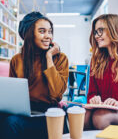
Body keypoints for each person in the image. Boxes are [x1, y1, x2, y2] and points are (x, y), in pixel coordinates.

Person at [0, 11, 69, 139]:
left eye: (50, 31)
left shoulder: (60, 58)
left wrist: (49, 58)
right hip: (24, 114)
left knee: (11, 123)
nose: (48, 36)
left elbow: (56, 94)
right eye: (42, 31)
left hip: (49, 116)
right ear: (29, 34)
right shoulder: (17, 60)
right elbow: (13, 96)